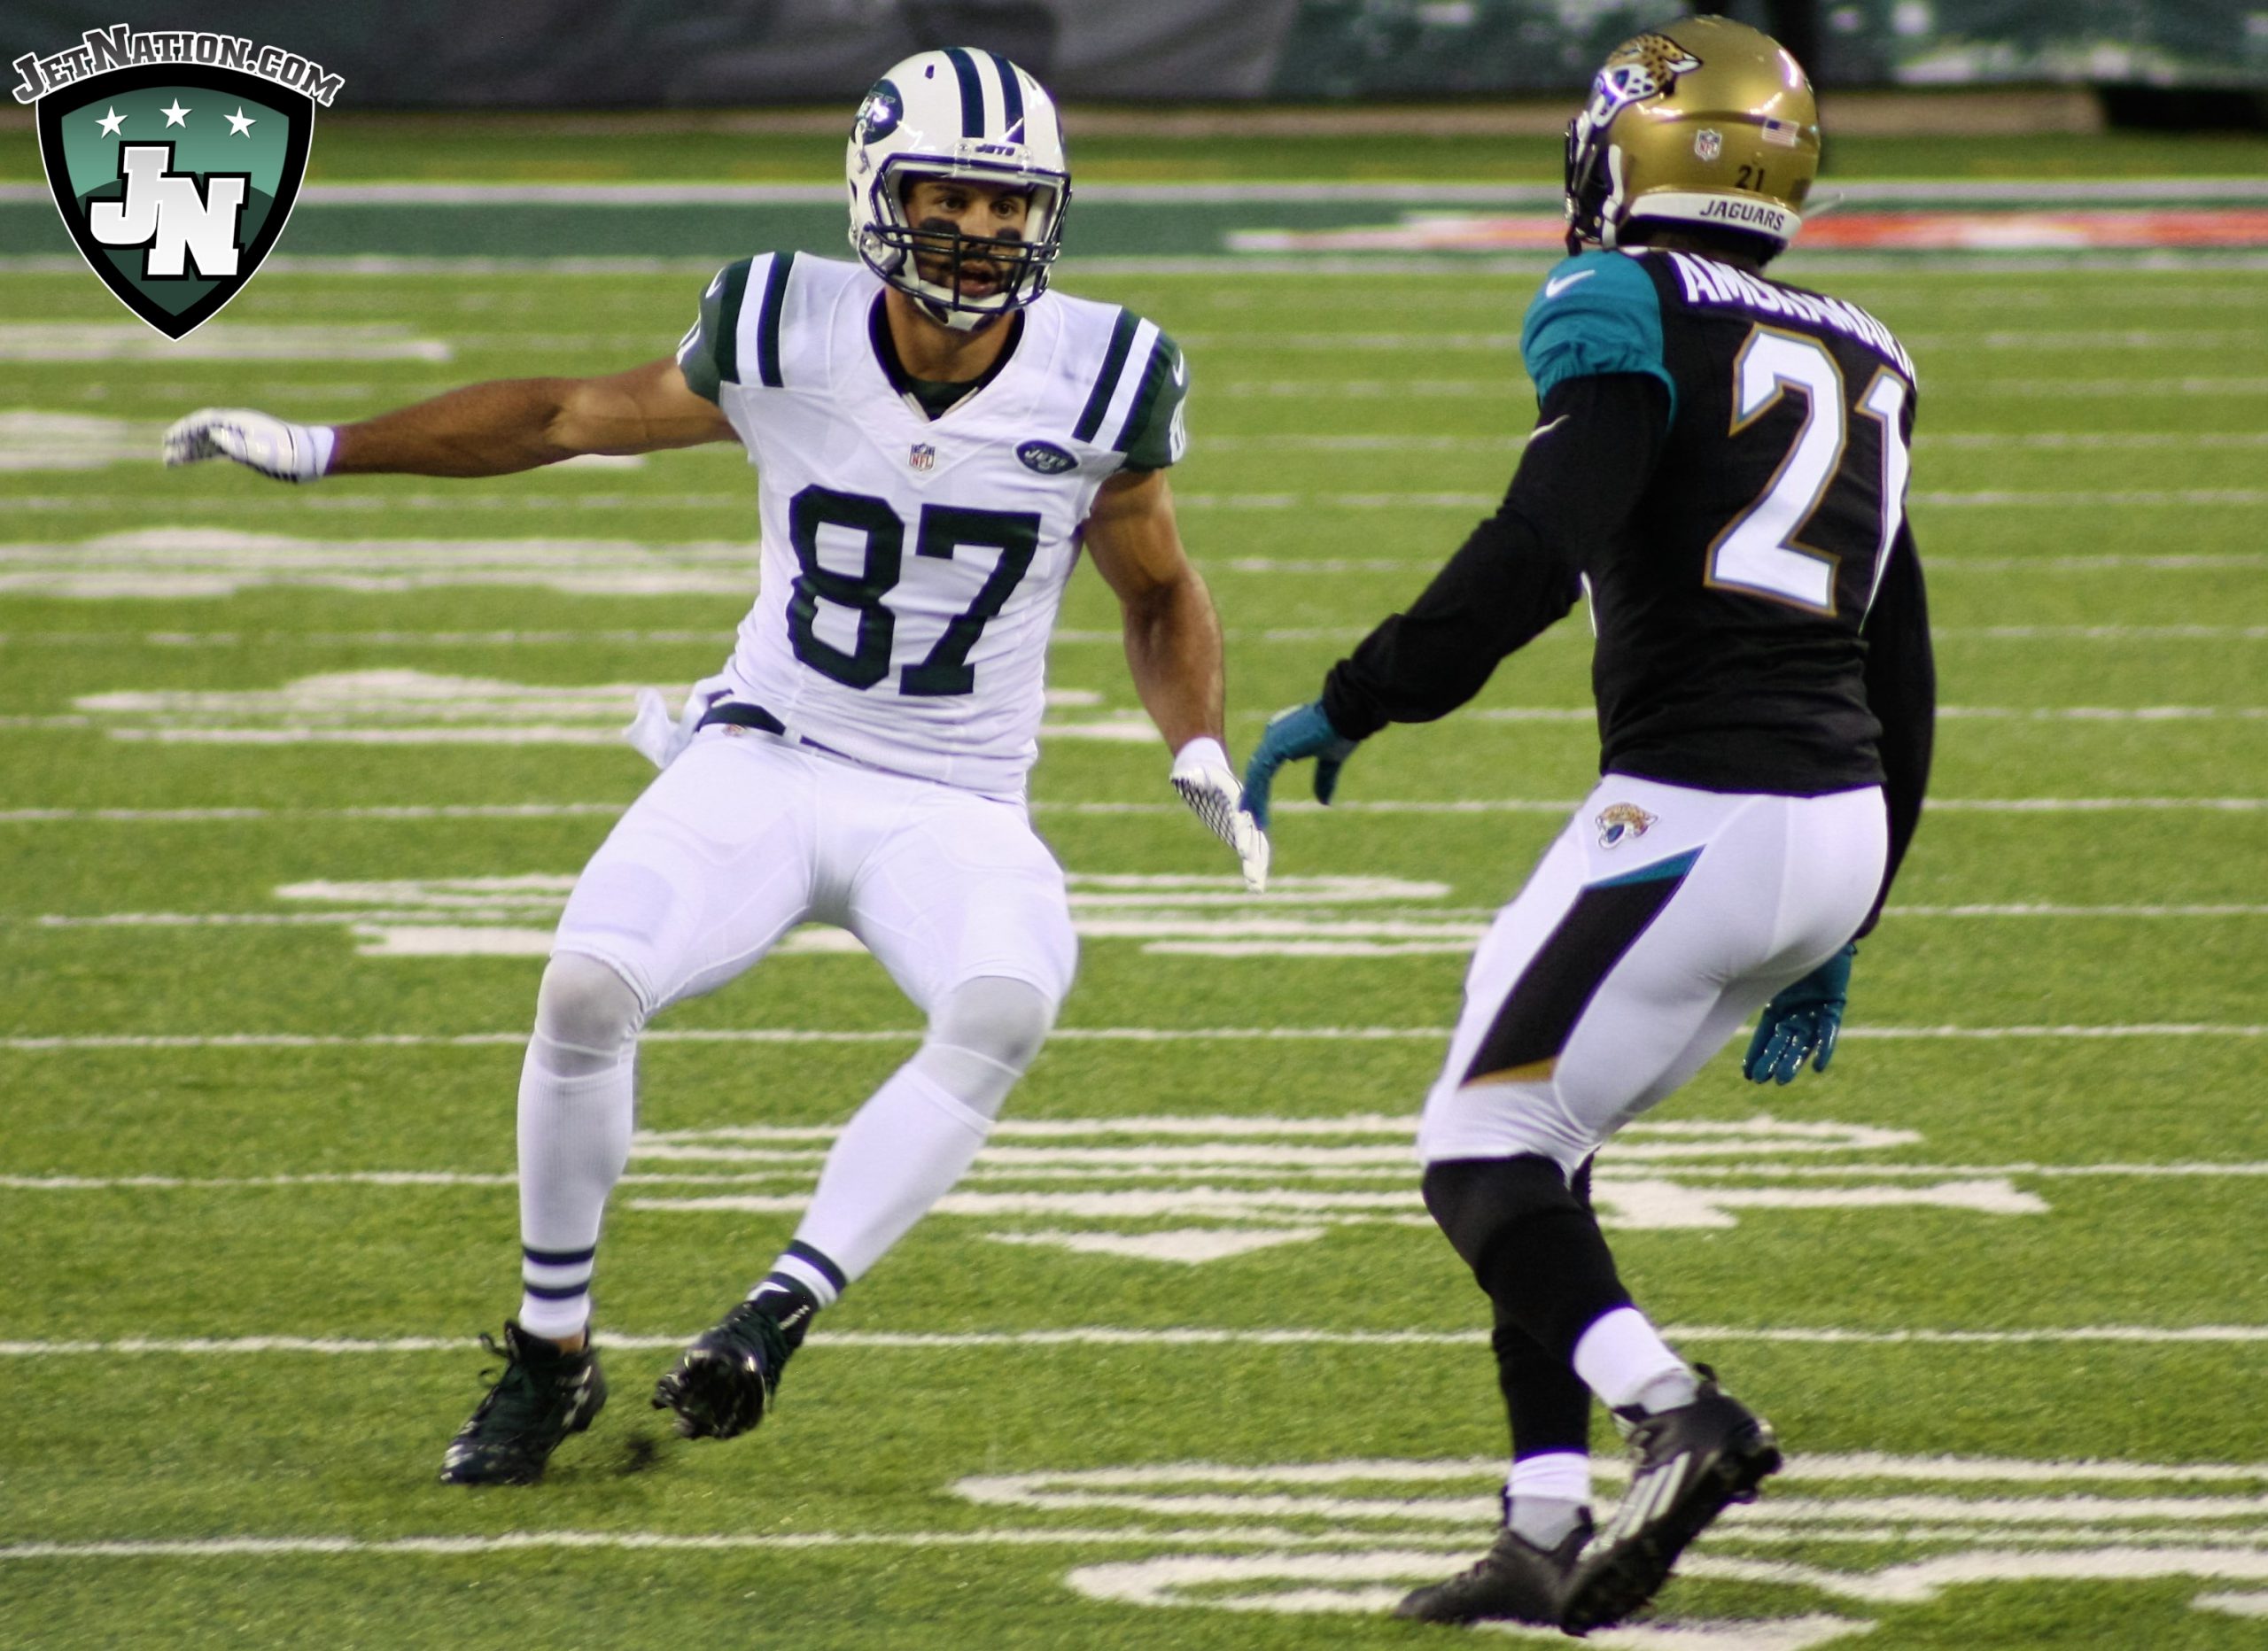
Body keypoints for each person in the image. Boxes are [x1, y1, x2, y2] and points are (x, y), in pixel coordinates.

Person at [165, 47, 1268, 1487]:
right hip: (769, 752)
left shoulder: (1108, 372)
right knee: (584, 987)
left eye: (1011, 206)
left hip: (956, 796)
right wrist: (327, 448)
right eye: (949, 198)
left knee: (1005, 1003)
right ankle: (550, 1352)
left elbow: (1158, 588)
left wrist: (1198, 741)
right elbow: (567, 417)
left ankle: (774, 1316)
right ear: (877, 196)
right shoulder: (781, 320)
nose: (982, 233)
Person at [1242, 17, 1932, 1635]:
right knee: (1547, 1144)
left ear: (1630, 151)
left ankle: (1676, 1411)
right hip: (1831, 823)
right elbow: (1900, 660)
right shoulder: (1869, 348)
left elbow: (1539, 548)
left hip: (1697, 813)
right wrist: (1857, 913)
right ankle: (1541, 1525)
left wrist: (1359, 695)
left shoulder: (1621, 296)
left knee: (1477, 1150)